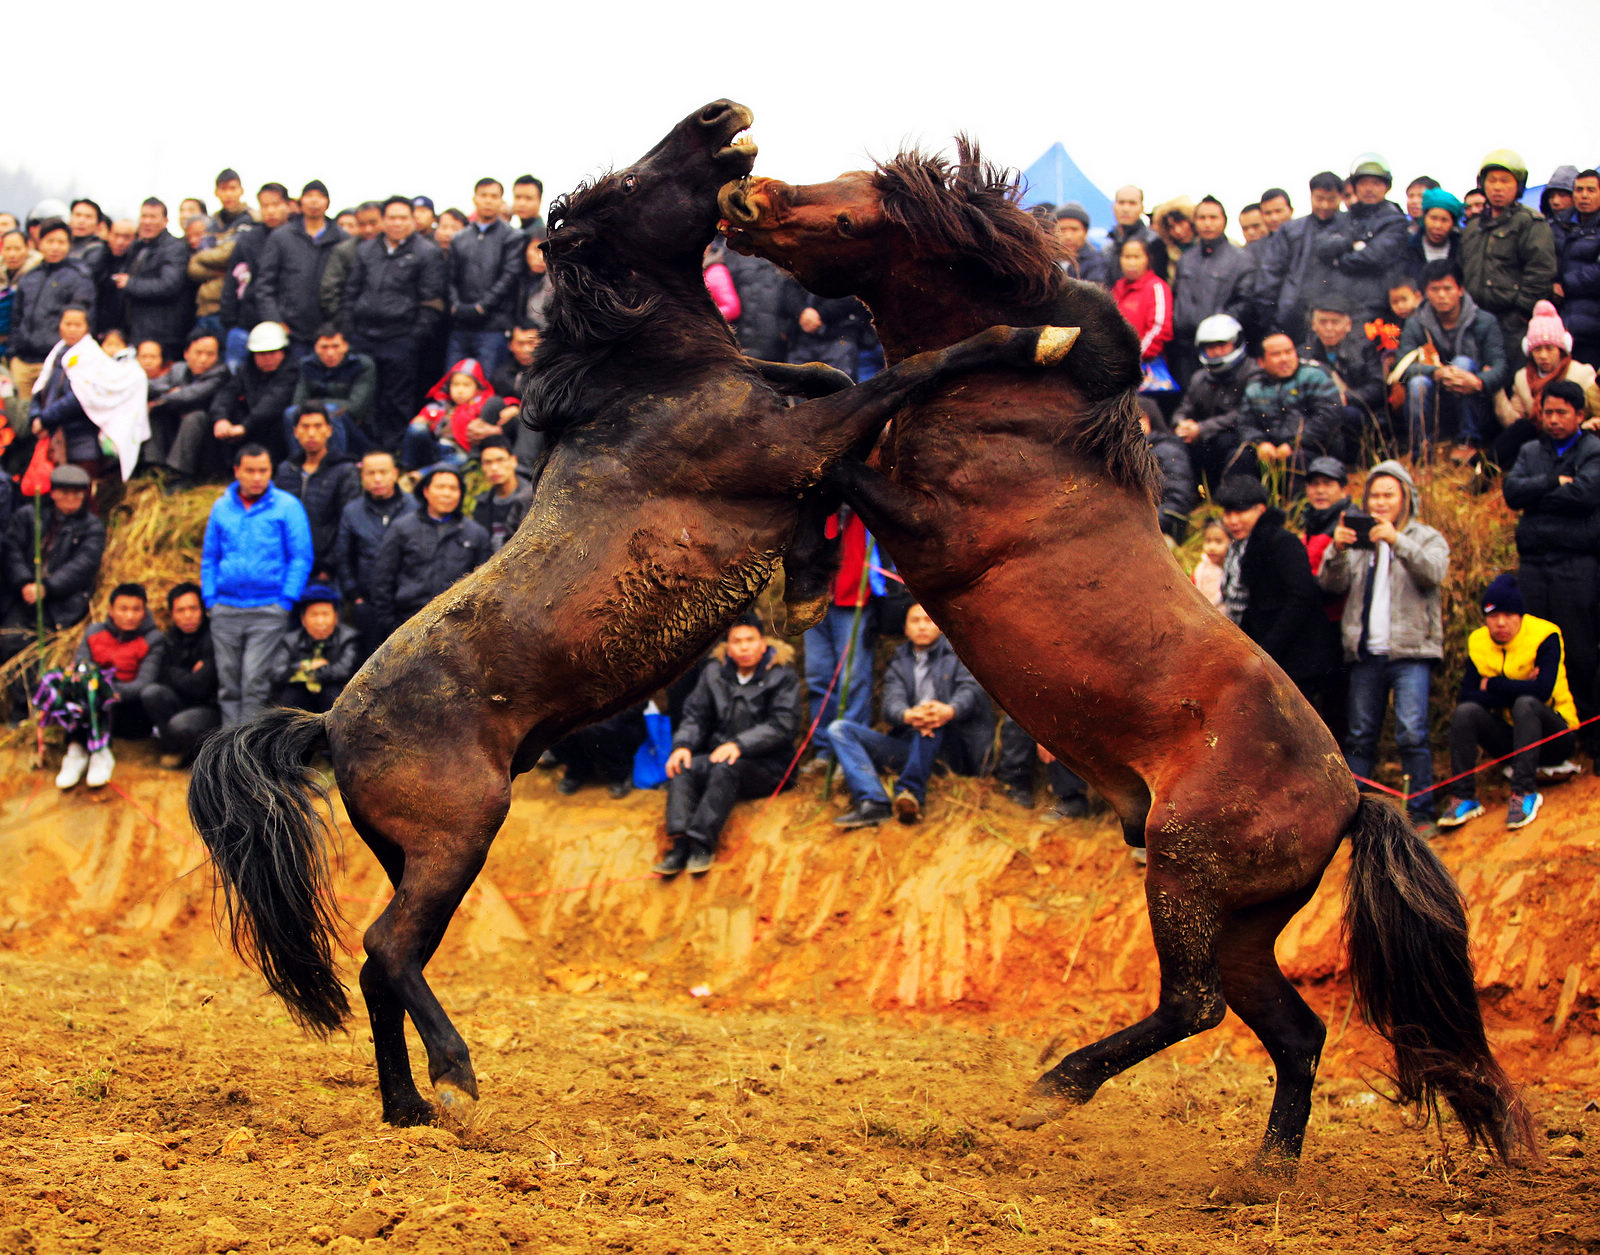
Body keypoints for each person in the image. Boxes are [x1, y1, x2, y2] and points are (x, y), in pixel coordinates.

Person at [1318, 460, 1449, 832]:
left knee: (1412, 732)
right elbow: (1331, 585)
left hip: (1412, 653)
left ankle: (1422, 813)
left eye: (1388, 494)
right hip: (1365, 653)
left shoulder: (1426, 536)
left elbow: (1434, 572)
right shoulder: (1360, 540)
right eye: (1374, 495)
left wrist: (1397, 541)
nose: (1380, 502)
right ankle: (1354, 816)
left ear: (1406, 496)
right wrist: (1337, 550)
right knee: (1360, 735)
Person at [829, 603, 993, 827]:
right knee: (839, 729)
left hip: (950, 748)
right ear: (905, 629)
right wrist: (908, 715)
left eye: (928, 620)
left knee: (932, 718)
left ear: (940, 625)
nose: (922, 626)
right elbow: (891, 703)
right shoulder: (899, 660)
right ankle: (873, 801)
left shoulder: (957, 653)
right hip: (910, 743)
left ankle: (908, 790)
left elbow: (971, 691)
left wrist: (948, 711)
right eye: (915, 621)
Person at [1502, 379, 1600, 754]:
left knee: (1579, 651)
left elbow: (1585, 494)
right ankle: (1547, 740)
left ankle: (1588, 733)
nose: (1554, 419)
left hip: (1575, 566)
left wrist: (1538, 497)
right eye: (1548, 412)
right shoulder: (1531, 449)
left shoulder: (1593, 449)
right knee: (1538, 651)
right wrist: (1553, 482)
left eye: (1562, 412)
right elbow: (1513, 492)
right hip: (1534, 567)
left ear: (1580, 414)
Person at [1438, 574, 1579, 833]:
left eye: (1509, 615)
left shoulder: (1545, 635)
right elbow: (1468, 697)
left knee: (1526, 703)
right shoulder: (1478, 642)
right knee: (1466, 712)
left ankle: (1524, 792)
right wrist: (1520, 683)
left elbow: (1542, 691)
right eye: (1492, 616)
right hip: (1513, 739)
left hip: (1555, 735)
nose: (1500, 623)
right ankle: (1464, 797)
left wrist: (1491, 684)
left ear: (1521, 615)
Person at [658, 617, 800, 875]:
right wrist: (683, 745)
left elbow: (783, 725)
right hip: (720, 757)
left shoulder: (782, 675)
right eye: (737, 641)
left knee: (725, 767)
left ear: (763, 643)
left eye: (750, 640)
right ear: (727, 647)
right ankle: (679, 845)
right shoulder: (714, 672)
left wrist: (740, 744)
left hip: (769, 765)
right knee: (683, 767)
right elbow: (695, 715)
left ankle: (701, 844)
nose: (744, 648)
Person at [201, 443, 313, 726]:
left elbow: (300, 556)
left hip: (268, 607)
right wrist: (210, 598)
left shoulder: (287, 506)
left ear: (270, 471)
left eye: (263, 470)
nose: (257, 477)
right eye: (250, 470)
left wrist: (286, 600)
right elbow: (210, 556)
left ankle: (245, 753)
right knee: (227, 684)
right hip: (225, 607)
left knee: (255, 681)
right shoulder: (222, 506)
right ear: (237, 471)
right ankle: (226, 756)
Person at [1214, 476, 1338, 698]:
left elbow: (1302, 595)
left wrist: (1267, 648)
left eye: (1240, 512)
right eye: (1228, 513)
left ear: (1260, 510)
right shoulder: (1238, 549)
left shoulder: (1282, 542)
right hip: (1268, 657)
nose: (1233, 521)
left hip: (1296, 658)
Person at [342, 196, 447, 449]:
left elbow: (432, 302)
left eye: (403, 218)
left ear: (412, 220)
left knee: (396, 398)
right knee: (365, 396)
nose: (397, 223)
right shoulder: (367, 250)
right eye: (391, 218)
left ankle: (394, 451)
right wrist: (348, 330)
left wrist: (414, 338)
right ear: (383, 220)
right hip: (364, 336)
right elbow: (351, 291)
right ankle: (364, 450)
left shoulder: (426, 252)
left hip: (401, 337)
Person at [56, 581, 165, 787]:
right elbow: (82, 666)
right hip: (93, 704)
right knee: (78, 685)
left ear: (144, 611)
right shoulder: (93, 632)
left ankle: (100, 753)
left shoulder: (154, 639)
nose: (130, 616)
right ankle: (75, 752)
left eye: (136, 609)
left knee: (97, 695)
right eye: (123, 609)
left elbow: (143, 683)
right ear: (111, 610)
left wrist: (105, 692)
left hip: (128, 710)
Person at [1459, 150, 1558, 375]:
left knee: (1511, 383)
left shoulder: (1530, 223)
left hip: (1512, 322)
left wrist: (1521, 311)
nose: (1497, 187)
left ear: (1518, 185)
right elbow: (1463, 267)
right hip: (1476, 320)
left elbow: (1541, 271)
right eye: (1491, 180)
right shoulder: (1473, 227)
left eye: (1505, 181)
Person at [1397, 260, 1508, 457]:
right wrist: (1437, 373)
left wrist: (1478, 382)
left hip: (1474, 401)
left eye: (1447, 288)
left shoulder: (1484, 321)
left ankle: (1468, 442)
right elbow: (1402, 367)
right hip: (1435, 397)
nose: (1441, 295)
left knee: (1462, 364)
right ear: (1425, 292)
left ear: (1460, 290)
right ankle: (1421, 451)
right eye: (1435, 289)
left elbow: (1500, 366)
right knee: (1417, 384)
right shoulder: (1416, 323)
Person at [368, 464, 489, 633]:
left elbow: (483, 587)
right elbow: (382, 579)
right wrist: (391, 625)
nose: (447, 493)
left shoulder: (476, 534)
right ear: (426, 491)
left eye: (453, 488)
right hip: (407, 623)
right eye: (440, 487)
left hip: (457, 627)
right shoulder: (402, 529)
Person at [800, 509, 877, 769]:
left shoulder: (866, 502)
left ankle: (851, 758)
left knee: (853, 680)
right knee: (818, 677)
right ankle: (824, 753)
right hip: (814, 598)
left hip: (854, 601)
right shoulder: (817, 502)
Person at [176, 321, 297, 479]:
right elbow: (227, 393)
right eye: (261, 354)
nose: (267, 358)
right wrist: (221, 419)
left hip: (272, 430)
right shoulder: (246, 370)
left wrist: (245, 427)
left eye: (272, 353)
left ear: (283, 352)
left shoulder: (291, 371)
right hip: (246, 428)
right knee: (215, 419)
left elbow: (272, 402)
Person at [1490, 300, 1600, 473]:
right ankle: (1483, 470)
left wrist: (1588, 426)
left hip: (1574, 438)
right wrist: (1496, 391)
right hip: (1539, 438)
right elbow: (1513, 422)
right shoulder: (1522, 377)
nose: (1543, 356)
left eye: (1549, 349)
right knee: (1523, 428)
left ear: (1562, 348)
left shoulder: (1582, 374)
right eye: (1537, 349)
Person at [334, 449, 416, 655]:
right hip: (367, 602)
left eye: (383, 472)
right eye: (370, 473)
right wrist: (354, 595)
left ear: (395, 473)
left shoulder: (414, 507)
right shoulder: (352, 511)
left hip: (407, 603)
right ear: (362, 476)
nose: (377, 478)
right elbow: (344, 557)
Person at [9, 219, 95, 408]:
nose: (55, 247)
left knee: (45, 418)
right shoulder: (29, 277)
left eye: (61, 242)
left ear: (69, 245)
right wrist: (13, 353)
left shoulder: (77, 278)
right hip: (22, 362)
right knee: (19, 421)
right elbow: (16, 318)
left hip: (53, 362)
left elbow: (84, 321)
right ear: (39, 243)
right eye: (50, 241)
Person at [1170, 195, 1254, 385]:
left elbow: (1245, 303)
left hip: (1219, 349)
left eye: (1213, 218)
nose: (1207, 223)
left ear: (1224, 221)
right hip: (1183, 349)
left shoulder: (1241, 260)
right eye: (1202, 218)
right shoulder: (1186, 259)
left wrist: (1217, 329)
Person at [1253, 171, 1345, 343]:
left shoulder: (1350, 229)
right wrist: (1272, 322)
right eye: (1319, 199)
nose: (1324, 205)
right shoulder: (1290, 231)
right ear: (1310, 196)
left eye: (1331, 199)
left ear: (1340, 197)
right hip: (1292, 319)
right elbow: (1269, 278)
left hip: (1337, 321)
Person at [256, 179, 346, 353]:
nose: (314, 201)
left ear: (327, 202)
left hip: (331, 333)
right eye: (309, 196)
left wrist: (341, 323)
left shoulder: (342, 239)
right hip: (290, 329)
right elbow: (265, 284)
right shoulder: (281, 237)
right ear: (300, 202)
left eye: (319, 196)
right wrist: (275, 320)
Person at [273, 403, 360, 579]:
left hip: (327, 569)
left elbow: (347, 523)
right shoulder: (286, 470)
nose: (311, 433)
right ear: (295, 432)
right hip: (286, 565)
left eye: (318, 426)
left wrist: (329, 567)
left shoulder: (344, 470)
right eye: (305, 427)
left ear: (329, 430)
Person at [1239, 331, 1343, 478]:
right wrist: (1260, 443)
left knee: (1296, 461)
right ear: (1261, 362)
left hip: (1310, 448)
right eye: (1276, 355)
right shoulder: (1255, 386)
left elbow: (1327, 417)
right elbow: (1245, 423)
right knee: (1240, 456)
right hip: (1271, 450)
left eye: (1289, 352)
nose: (1284, 359)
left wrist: (1293, 444)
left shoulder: (1314, 376)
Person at [140, 581, 220, 768]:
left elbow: (201, 686)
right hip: (182, 701)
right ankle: (175, 748)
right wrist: (186, 674)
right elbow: (161, 676)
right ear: (172, 614)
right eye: (180, 610)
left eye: (193, 608)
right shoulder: (169, 638)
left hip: (210, 708)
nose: (188, 615)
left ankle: (203, 756)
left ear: (202, 610)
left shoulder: (215, 636)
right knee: (152, 693)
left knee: (181, 724)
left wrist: (176, 673)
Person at [445, 178, 521, 377]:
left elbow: (509, 276)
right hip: (460, 325)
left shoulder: (512, 237)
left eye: (494, 196)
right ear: (475, 199)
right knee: (453, 384)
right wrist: (455, 305)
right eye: (484, 195)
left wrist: (482, 306)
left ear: (501, 201)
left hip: (493, 327)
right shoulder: (459, 238)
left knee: (486, 385)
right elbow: (450, 277)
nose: (488, 201)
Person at [1173, 313, 1257, 484]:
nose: (1217, 351)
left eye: (1222, 344)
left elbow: (1243, 413)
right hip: (1203, 437)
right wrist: (1182, 424)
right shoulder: (1200, 377)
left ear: (1236, 342)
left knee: (1227, 444)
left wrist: (1202, 429)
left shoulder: (1252, 373)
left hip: (1236, 438)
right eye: (1210, 347)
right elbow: (1184, 407)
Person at [1302, 298, 1388, 457]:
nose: (1329, 328)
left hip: (1354, 412)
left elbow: (1378, 387)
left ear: (1348, 325)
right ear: (1314, 325)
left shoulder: (1364, 349)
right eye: (1323, 322)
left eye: (1335, 322)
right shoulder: (1304, 353)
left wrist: (1346, 397)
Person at [268, 584, 361, 712]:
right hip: (300, 696)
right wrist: (308, 665)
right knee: (290, 695)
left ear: (335, 617)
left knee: (333, 692)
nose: (320, 621)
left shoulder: (348, 638)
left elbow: (343, 671)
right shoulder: (291, 640)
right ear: (303, 619)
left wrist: (304, 673)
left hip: (332, 695)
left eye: (325, 614)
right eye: (314, 615)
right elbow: (277, 673)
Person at [287, 325, 376, 454]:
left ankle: (335, 462)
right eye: (324, 347)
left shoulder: (362, 365)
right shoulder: (306, 365)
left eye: (335, 346)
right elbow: (298, 402)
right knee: (291, 413)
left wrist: (318, 405)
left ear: (345, 346)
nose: (330, 353)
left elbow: (355, 407)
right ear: (316, 348)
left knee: (331, 411)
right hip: (315, 421)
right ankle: (298, 461)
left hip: (354, 427)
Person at [146, 332, 227, 470]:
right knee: (155, 413)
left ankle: (178, 473)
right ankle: (153, 465)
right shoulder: (178, 369)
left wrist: (162, 400)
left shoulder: (221, 374)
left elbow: (190, 395)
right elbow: (155, 386)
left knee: (194, 417)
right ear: (186, 353)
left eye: (210, 354)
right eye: (198, 353)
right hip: (175, 431)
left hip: (206, 442)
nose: (203, 359)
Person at [402, 357, 501, 469]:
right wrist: (423, 420)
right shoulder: (440, 405)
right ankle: (407, 466)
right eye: (455, 384)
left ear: (477, 388)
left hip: (457, 453)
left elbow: (504, 404)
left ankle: (421, 474)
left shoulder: (481, 408)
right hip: (434, 447)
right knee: (417, 429)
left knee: (461, 459)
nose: (460, 390)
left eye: (466, 385)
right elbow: (423, 418)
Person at [550, 702, 648, 798]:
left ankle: (621, 775)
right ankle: (578, 769)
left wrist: (599, 716)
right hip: (587, 716)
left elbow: (636, 705)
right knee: (555, 725)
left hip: (621, 723)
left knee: (595, 728)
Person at [1111, 237, 1172, 371]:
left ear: (1148, 259)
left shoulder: (1156, 287)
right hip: (1116, 366)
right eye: (1126, 257)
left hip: (1144, 365)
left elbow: (1159, 328)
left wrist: (1133, 356)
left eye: (1137, 257)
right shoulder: (1117, 288)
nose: (1131, 263)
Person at [1139, 398, 1195, 543]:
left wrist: (1145, 523)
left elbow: (1178, 500)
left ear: (1145, 421)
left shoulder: (1168, 451)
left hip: (1160, 533)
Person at [1560, 170, 1600, 370]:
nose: (1584, 195)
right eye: (1579, 190)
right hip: (1559, 325)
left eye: (1591, 190)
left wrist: (1564, 284)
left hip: (1592, 326)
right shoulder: (1559, 224)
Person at [471, 435, 531, 552]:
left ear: (513, 461)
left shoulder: (531, 499)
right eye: (488, 462)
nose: (494, 468)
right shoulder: (482, 504)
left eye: (500, 460)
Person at [1106, 186, 1169, 289]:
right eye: (1121, 202)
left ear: (1142, 208)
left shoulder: (1154, 242)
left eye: (1132, 203)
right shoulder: (1109, 244)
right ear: (1113, 206)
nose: (1126, 209)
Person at [1404, 187, 1463, 282]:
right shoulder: (1407, 247)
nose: (1438, 226)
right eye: (1433, 218)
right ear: (1424, 219)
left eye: (1444, 220)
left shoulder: (1462, 249)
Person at [1054, 203, 1106, 284]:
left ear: (1085, 232)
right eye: (1062, 230)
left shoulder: (1096, 262)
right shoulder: (1048, 260)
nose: (1068, 236)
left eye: (1074, 229)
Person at [1191, 517, 1228, 607]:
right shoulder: (1202, 570)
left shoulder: (1232, 567)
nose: (1211, 547)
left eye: (1218, 541)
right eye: (1208, 541)